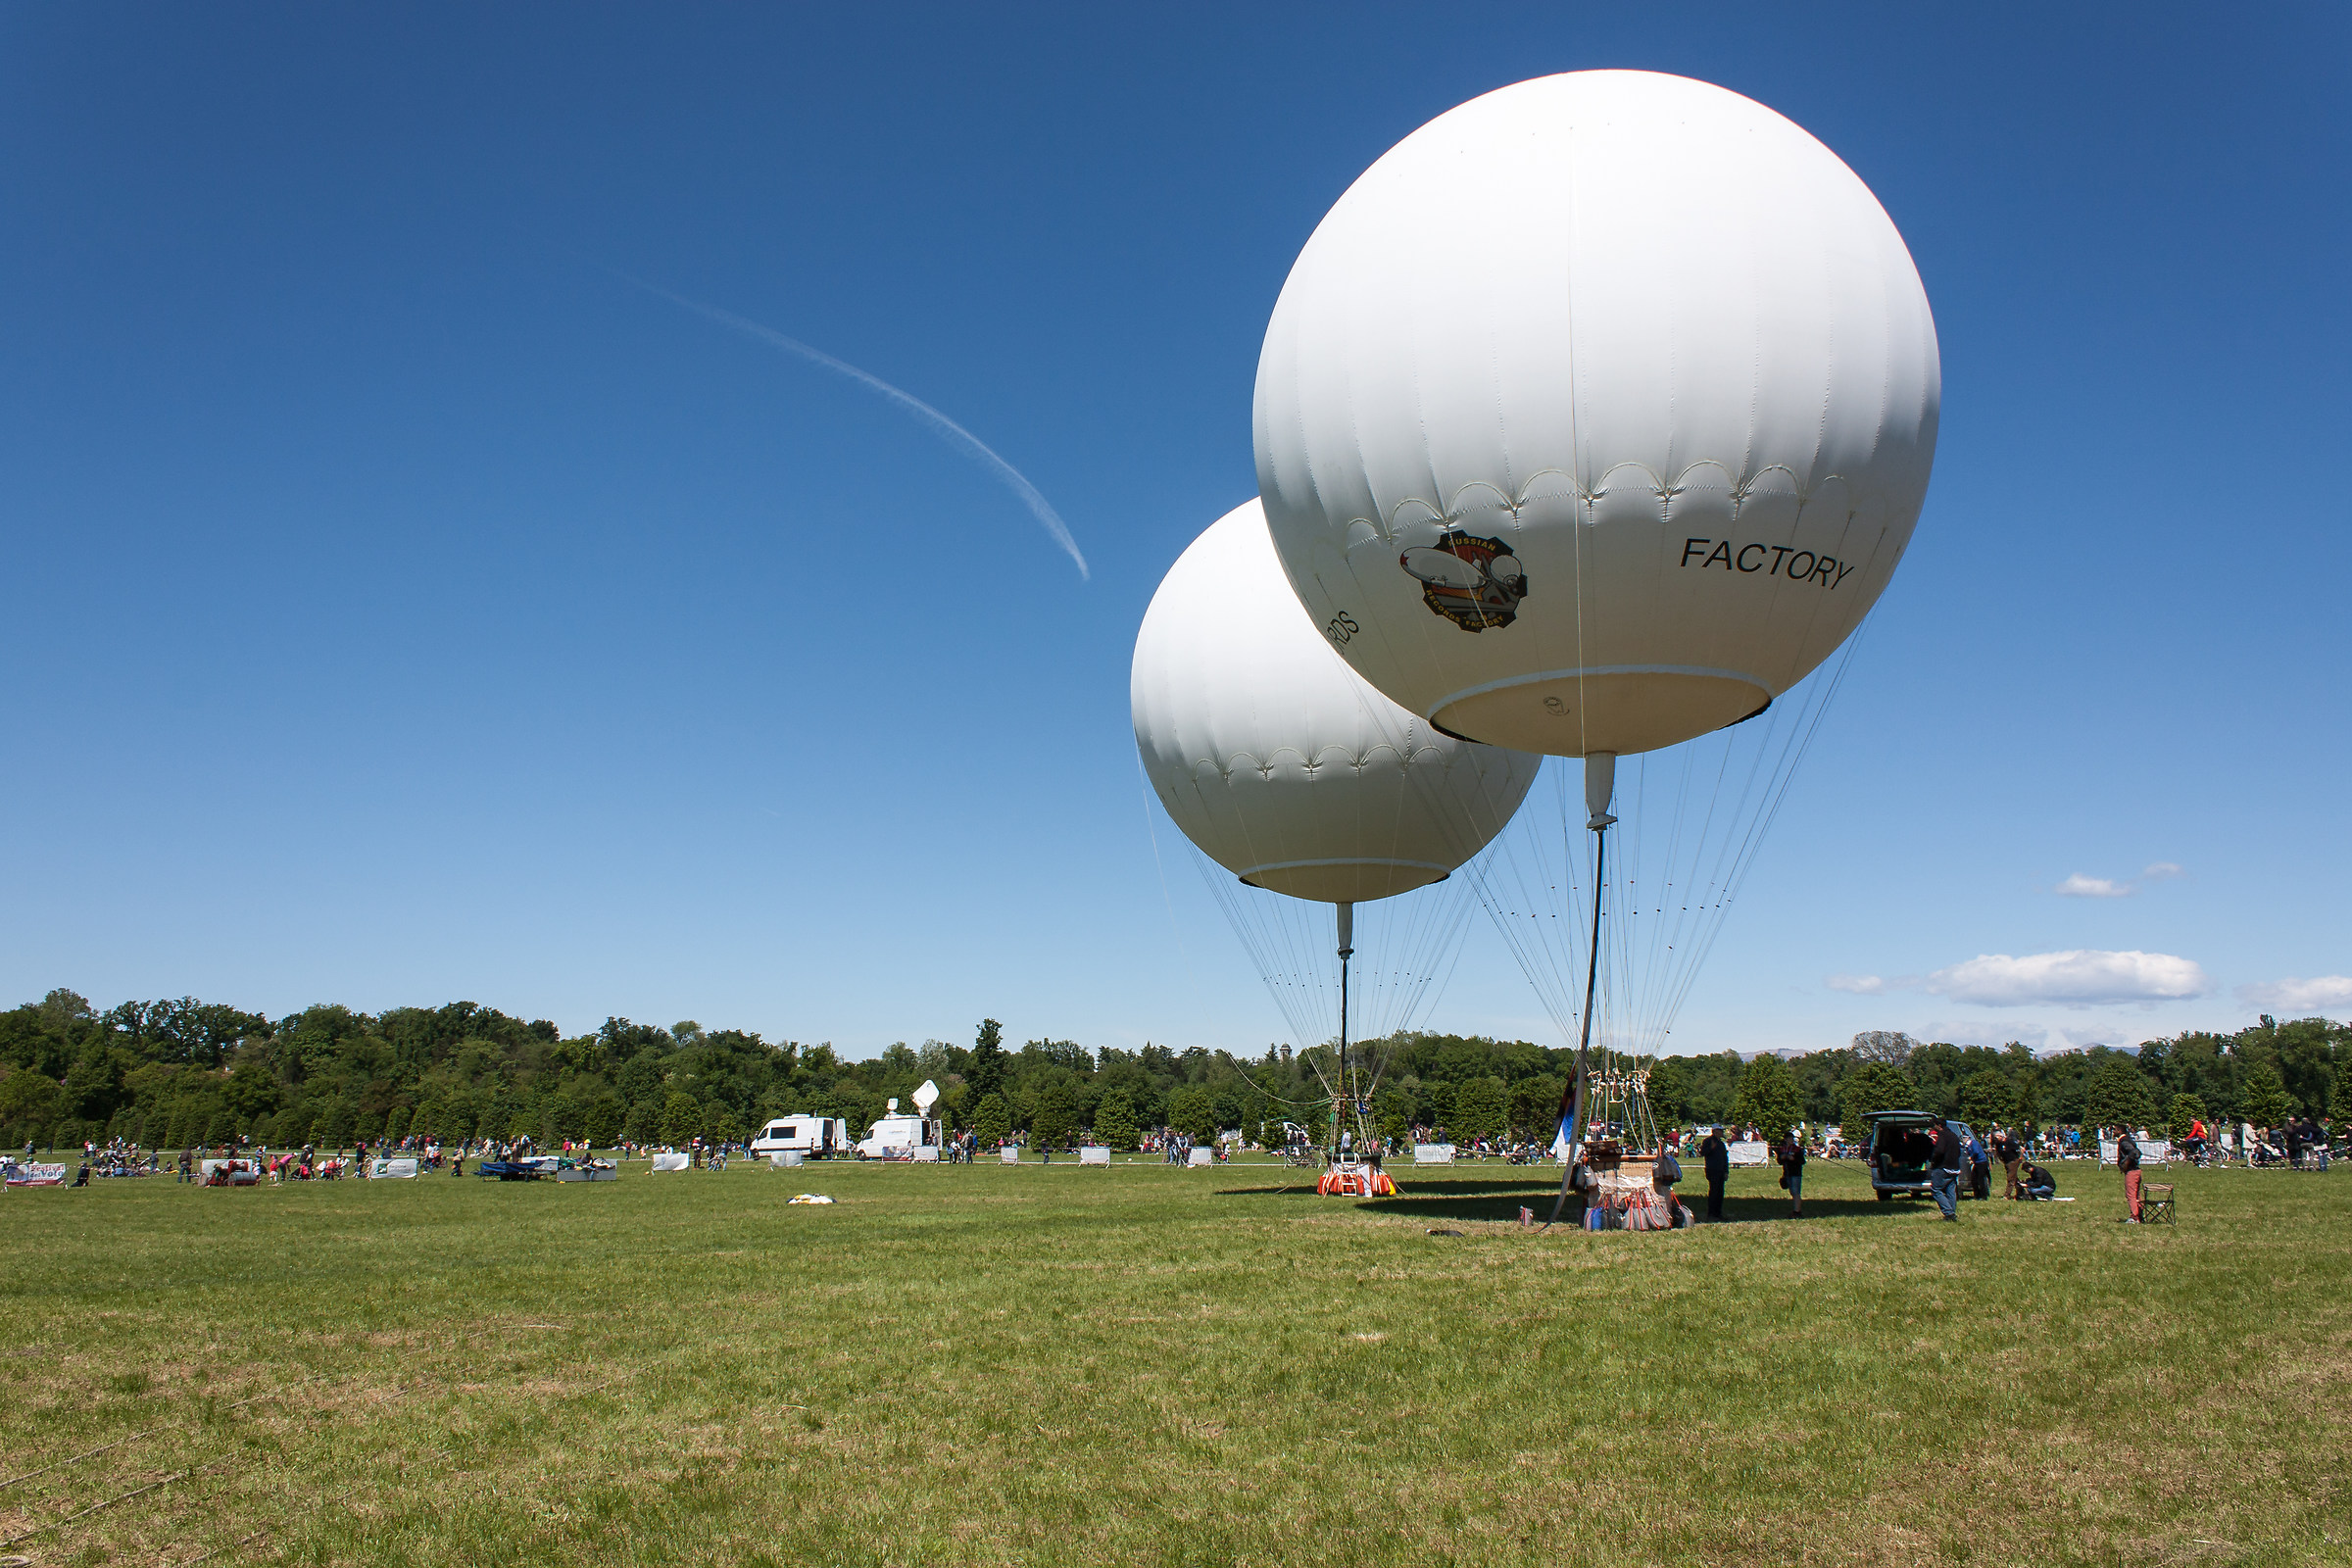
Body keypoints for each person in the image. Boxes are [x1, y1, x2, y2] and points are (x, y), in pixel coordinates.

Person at [1929, 1120, 1963, 1221]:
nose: (1933, 1127)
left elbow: (1939, 1151)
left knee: (1935, 1190)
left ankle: (1949, 1213)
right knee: (1950, 1190)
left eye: (1934, 1125)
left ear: (1939, 1126)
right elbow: (1959, 1151)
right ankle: (1952, 1213)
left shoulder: (1943, 1135)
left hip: (1943, 1167)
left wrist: (1933, 1159)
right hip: (1954, 1167)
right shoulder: (1954, 1135)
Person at [1699, 1127, 1730, 1221]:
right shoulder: (1708, 1141)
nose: (1722, 1132)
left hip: (1720, 1170)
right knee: (1714, 1191)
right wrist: (1711, 1148)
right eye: (1720, 1131)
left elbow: (1725, 1158)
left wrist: (1726, 1171)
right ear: (1715, 1131)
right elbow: (1703, 1153)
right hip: (1712, 1169)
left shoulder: (1721, 1143)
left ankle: (1718, 1213)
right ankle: (1711, 1213)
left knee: (1720, 1192)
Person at [1775, 1129, 1805, 1218]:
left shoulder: (1797, 1149)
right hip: (1787, 1173)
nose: (1791, 1140)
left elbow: (1802, 1161)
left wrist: (1794, 1159)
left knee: (1796, 1192)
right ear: (1785, 1140)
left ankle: (1797, 1211)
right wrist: (1782, 1157)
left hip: (1796, 1173)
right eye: (1789, 1138)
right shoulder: (1782, 1149)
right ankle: (1796, 1209)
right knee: (1792, 1192)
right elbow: (1779, 1161)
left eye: (1792, 1138)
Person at [2116, 1125, 2142, 1223]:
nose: (2113, 1131)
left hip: (2131, 1171)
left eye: (2114, 1129)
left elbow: (2135, 1152)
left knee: (2131, 1195)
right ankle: (2140, 1214)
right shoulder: (2127, 1139)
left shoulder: (2124, 1141)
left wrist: (2126, 1162)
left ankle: (2134, 1217)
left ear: (2119, 1130)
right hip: (2136, 1171)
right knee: (2136, 1195)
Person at [1993, 1127, 2024, 1200]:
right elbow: (1998, 1152)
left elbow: (2021, 1149)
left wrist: (2020, 1157)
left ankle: (2007, 1195)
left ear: (2001, 1136)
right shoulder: (1998, 1144)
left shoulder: (2009, 1142)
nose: (1996, 1138)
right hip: (2006, 1162)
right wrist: (2001, 1159)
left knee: (2010, 1178)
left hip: (2013, 1161)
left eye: (1997, 1137)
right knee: (2014, 1178)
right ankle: (2022, 1191)